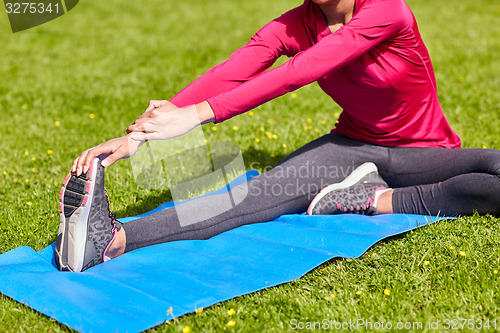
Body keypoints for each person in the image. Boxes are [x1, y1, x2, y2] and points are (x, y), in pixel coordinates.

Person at [55, 0, 500, 272]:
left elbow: (301, 71)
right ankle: (111, 239)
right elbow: (236, 69)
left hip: (426, 151)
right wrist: (140, 137)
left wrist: (200, 115)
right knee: (254, 195)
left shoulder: (386, 9)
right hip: (352, 143)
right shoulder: (296, 24)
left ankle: (376, 200)